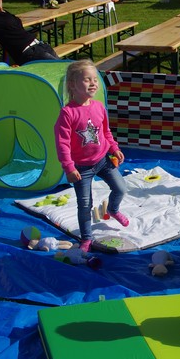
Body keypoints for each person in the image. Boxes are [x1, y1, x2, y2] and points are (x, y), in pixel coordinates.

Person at [54, 59, 129, 254]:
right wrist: (69, 167)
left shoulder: (99, 107)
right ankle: (86, 237)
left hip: (103, 160)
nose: (93, 83)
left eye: (95, 79)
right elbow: (62, 143)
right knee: (85, 204)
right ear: (73, 85)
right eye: (87, 80)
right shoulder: (67, 113)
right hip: (81, 168)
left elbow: (106, 132)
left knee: (121, 188)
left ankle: (113, 209)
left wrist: (114, 149)